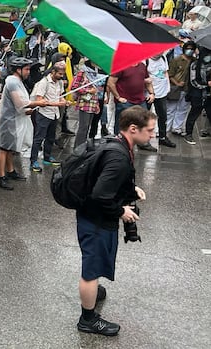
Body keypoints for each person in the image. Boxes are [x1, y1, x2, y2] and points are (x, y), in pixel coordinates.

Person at [75, 105, 155, 336]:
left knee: (95, 262)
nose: (152, 135)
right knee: (91, 268)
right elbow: (101, 194)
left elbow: (104, 177)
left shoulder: (117, 143)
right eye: (149, 131)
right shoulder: (119, 156)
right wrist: (122, 211)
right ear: (133, 128)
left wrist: (131, 188)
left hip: (92, 215)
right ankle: (87, 319)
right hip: (96, 219)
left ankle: (93, 293)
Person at [0, 57, 47, 190]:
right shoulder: (12, 82)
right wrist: (38, 103)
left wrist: (30, 108)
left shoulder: (18, 81)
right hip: (9, 120)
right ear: (18, 70)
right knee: (4, 148)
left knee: (10, 148)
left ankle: (11, 171)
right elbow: (20, 103)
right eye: (27, 69)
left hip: (15, 118)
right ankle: (1, 177)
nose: (29, 72)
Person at [107, 61, 156, 150]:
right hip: (125, 101)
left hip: (140, 100)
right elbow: (111, 82)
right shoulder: (121, 65)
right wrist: (118, 97)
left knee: (143, 122)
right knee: (122, 124)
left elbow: (148, 81)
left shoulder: (142, 66)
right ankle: (119, 144)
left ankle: (143, 143)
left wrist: (152, 93)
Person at [29, 61, 68, 173]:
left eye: (62, 74)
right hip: (44, 114)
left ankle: (47, 157)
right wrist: (57, 104)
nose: (61, 76)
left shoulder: (59, 83)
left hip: (54, 114)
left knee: (51, 137)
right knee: (38, 138)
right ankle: (33, 161)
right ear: (53, 71)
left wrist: (64, 101)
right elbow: (39, 100)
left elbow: (60, 96)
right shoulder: (44, 83)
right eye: (60, 74)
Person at [146, 53, 177, 148]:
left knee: (163, 116)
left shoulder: (163, 58)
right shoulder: (146, 60)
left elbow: (165, 72)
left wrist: (167, 85)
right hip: (149, 94)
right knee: (145, 117)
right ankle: (144, 140)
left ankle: (162, 137)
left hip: (162, 92)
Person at [71, 60, 102, 148]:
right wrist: (87, 91)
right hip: (84, 104)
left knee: (87, 127)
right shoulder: (83, 72)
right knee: (83, 127)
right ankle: (78, 148)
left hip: (93, 104)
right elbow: (74, 87)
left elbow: (96, 90)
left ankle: (82, 147)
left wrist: (97, 105)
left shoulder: (95, 73)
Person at [183, 47, 211, 145]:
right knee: (194, 114)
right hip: (197, 94)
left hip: (208, 95)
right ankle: (188, 134)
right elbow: (193, 81)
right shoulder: (194, 65)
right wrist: (207, 84)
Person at [167, 41, 195, 137]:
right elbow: (170, 75)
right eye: (188, 48)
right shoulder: (176, 60)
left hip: (188, 89)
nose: (190, 51)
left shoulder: (194, 61)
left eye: (192, 49)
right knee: (171, 109)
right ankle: (166, 128)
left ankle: (177, 128)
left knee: (183, 109)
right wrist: (177, 83)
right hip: (175, 89)